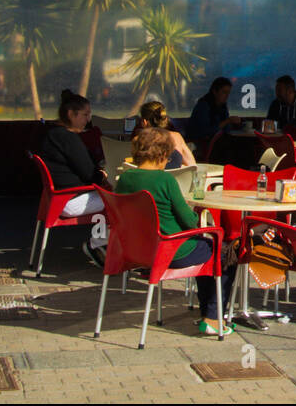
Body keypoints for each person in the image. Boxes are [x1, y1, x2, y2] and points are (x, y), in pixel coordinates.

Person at [115, 127, 236, 336]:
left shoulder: (125, 179)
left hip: (136, 251)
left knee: (206, 249)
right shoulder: (166, 181)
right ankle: (213, 318)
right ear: (163, 154)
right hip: (171, 250)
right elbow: (190, 222)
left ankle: (207, 314)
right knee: (224, 251)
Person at [34, 89, 108, 267]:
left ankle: (103, 244)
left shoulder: (51, 134)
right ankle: (97, 245)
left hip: (57, 198)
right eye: (85, 114)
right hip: (70, 199)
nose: (88, 119)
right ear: (70, 114)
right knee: (122, 201)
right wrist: (104, 175)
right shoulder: (68, 139)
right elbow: (89, 174)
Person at [134, 101, 196, 169]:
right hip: (175, 178)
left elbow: (137, 168)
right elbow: (192, 165)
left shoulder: (139, 140)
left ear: (144, 122)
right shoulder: (177, 137)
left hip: (150, 179)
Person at [186, 76, 241, 144]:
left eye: (228, 93)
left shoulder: (222, 107)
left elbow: (226, 129)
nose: (227, 96)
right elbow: (205, 132)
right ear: (215, 91)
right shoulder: (203, 106)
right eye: (224, 92)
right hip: (201, 143)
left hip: (217, 142)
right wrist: (227, 121)